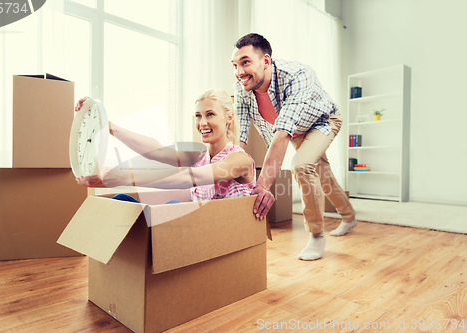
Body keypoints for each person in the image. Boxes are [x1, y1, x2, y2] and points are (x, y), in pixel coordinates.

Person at [231, 33, 357, 261]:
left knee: (301, 165)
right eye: (235, 65)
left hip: (323, 121)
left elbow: (282, 134)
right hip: (298, 130)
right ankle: (349, 217)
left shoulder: (297, 75)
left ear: (266, 61)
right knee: (323, 176)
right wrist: (232, 168)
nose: (239, 72)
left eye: (246, 62)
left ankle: (316, 235)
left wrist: (262, 187)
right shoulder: (242, 86)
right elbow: (241, 131)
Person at [75, 89, 256, 202]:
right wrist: (109, 126)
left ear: (229, 117)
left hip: (219, 231)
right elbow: (157, 151)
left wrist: (118, 177)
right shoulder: (199, 156)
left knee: (172, 207)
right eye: (198, 116)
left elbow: (188, 178)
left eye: (210, 114)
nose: (202, 123)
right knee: (122, 200)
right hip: (198, 226)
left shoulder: (240, 160)